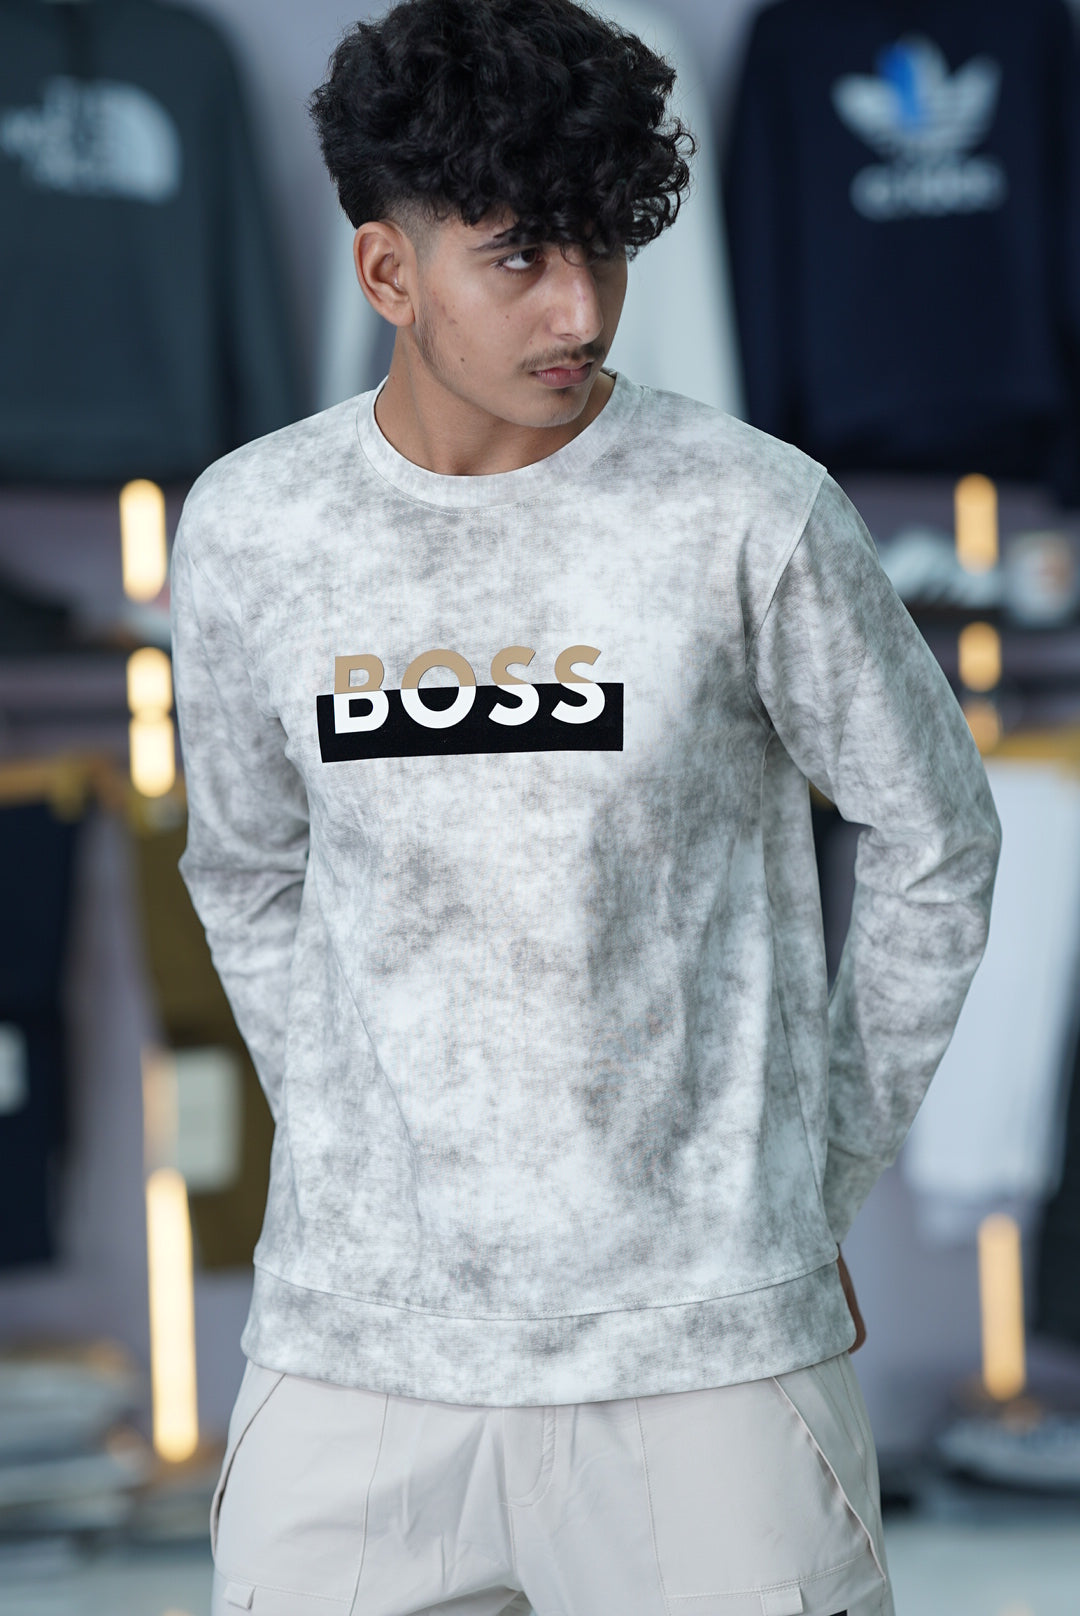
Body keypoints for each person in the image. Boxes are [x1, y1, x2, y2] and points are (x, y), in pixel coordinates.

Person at [169, 2, 1002, 1613]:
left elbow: (936, 838)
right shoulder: (255, 530)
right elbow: (249, 870)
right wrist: (353, 1130)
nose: (583, 308)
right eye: (521, 257)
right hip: (360, 1363)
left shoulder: (749, 511)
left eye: (608, 249)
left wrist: (813, 1173)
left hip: (706, 1361)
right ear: (388, 273)